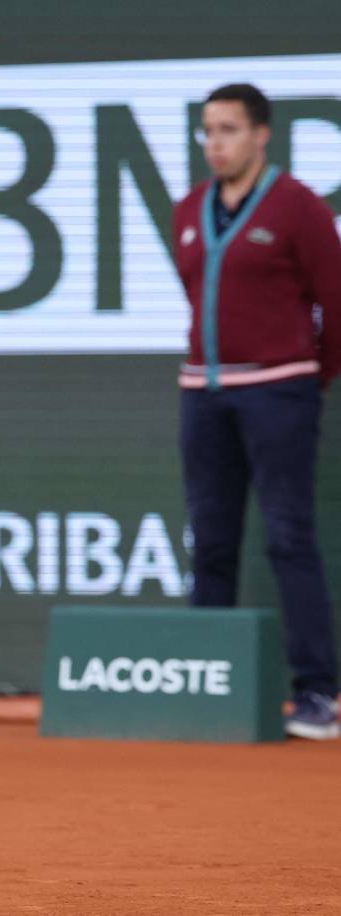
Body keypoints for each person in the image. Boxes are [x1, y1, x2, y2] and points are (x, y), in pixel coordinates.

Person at [172, 83, 341, 740]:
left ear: (261, 134)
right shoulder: (187, 208)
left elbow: (335, 300)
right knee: (210, 540)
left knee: (288, 538)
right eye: (208, 131)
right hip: (201, 393)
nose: (216, 142)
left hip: (280, 391)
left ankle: (318, 692)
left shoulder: (298, 207)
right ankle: (207, 686)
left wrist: (306, 375)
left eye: (229, 130)